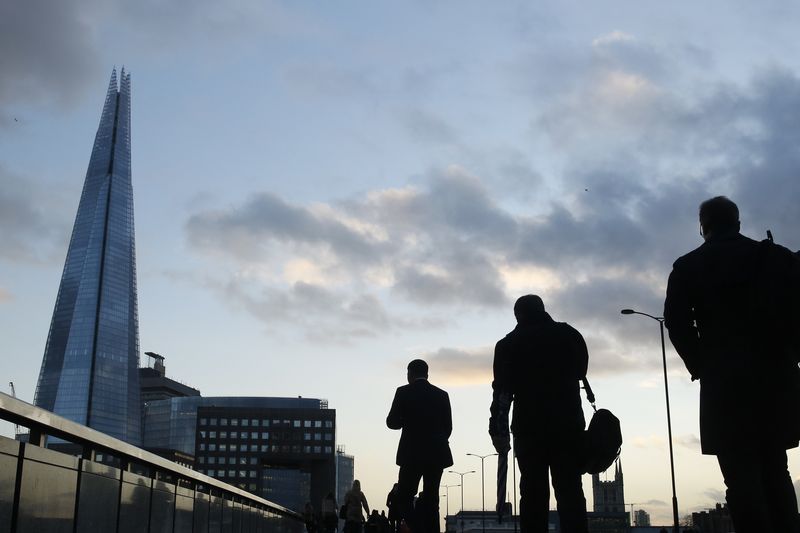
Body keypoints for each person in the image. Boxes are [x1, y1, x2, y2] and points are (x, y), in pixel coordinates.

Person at [664, 196, 800, 533]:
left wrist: (701, 364)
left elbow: (676, 322)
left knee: (740, 478)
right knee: (775, 469)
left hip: (724, 382)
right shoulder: (776, 257)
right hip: (775, 378)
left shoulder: (688, 265)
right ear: (737, 223)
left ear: (703, 227)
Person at [489, 295, 589, 533]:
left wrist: (498, 429)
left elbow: (502, 392)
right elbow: (581, 370)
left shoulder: (508, 344)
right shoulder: (569, 335)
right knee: (571, 491)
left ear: (517, 315)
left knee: (532, 493)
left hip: (529, 427)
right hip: (568, 424)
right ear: (543, 309)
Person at [387, 359, 454, 533]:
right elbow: (448, 427)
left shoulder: (403, 392)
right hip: (437, 454)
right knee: (432, 499)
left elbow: (392, 422)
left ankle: (417, 527)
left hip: (411, 454)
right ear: (427, 374)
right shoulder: (442, 395)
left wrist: (406, 420)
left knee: (404, 496)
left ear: (410, 373)